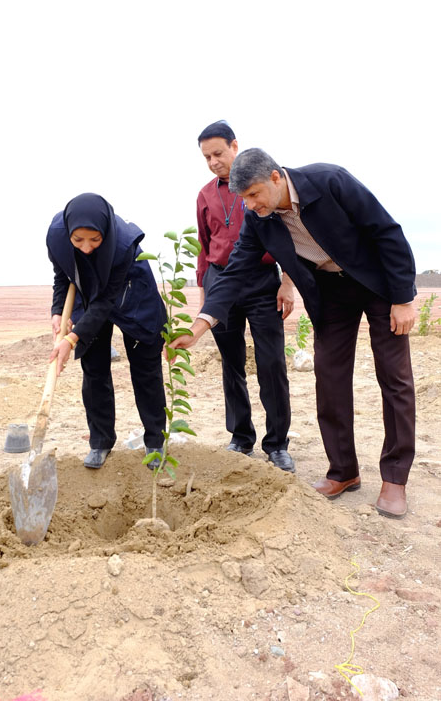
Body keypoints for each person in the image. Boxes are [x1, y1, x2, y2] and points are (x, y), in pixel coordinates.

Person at [172, 148, 416, 519]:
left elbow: (386, 231)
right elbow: (235, 271)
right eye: (244, 199)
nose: (250, 205)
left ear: (275, 177)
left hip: (378, 283)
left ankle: (395, 478)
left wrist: (403, 298)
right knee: (329, 378)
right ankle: (343, 471)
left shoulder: (329, 180)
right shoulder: (259, 219)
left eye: (254, 194)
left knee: (394, 377)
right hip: (330, 291)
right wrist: (201, 325)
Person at [196, 121, 295, 472]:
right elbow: (204, 245)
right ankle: (240, 437)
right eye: (207, 157)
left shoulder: (260, 185)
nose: (213, 162)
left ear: (234, 146)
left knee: (272, 363)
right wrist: (206, 293)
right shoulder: (204, 195)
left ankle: (277, 443)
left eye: (218, 153)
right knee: (231, 363)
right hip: (221, 282)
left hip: (261, 282)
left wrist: (287, 282)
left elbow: (287, 235)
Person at [46, 193, 167, 469]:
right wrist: (58, 311)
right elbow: (63, 276)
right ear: (68, 233)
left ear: (106, 233)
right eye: (78, 240)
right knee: (94, 369)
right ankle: (100, 442)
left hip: (132, 298)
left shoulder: (123, 244)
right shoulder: (56, 236)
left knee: (146, 371)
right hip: (89, 297)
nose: (86, 248)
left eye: (95, 239)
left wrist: (72, 339)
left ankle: (155, 442)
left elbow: (106, 300)